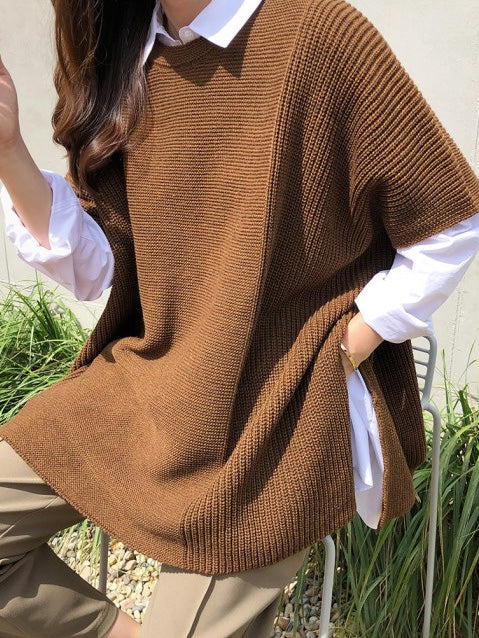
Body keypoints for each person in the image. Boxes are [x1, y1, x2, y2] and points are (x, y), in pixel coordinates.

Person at [1, 0, 479, 636]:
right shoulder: (130, 53)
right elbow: (100, 266)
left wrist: (346, 347)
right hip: (149, 386)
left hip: (277, 419)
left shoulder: (320, 35)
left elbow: (450, 222)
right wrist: (8, 149)